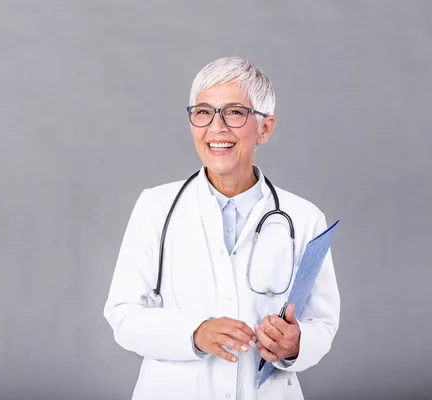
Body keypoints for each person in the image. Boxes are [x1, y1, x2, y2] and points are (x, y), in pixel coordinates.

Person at [103, 56, 340, 400]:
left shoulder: (303, 218)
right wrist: (194, 333)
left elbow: (323, 323)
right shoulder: (156, 207)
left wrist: (296, 344)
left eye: (234, 112)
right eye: (203, 112)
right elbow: (122, 316)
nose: (216, 127)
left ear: (265, 128)